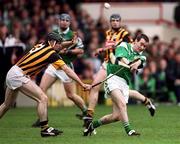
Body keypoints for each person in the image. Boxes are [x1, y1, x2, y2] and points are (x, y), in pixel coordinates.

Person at [0, 32, 91, 137]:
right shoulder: (52, 54)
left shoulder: (42, 44)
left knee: (6, 105)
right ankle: (45, 129)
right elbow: (67, 70)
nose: (60, 45)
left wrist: (71, 42)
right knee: (42, 98)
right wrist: (82, 83)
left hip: (13, 72)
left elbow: (60, 45)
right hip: (18, 76)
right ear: (52, 42)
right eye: (58, 43)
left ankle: (45, 128)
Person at [84, 14, 155, 125]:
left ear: (120, 22)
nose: (115, 22)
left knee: (122, 93)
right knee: (95, 86)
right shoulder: (108, 33)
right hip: (107, 63)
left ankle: (146, 100)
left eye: (117, 20)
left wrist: (132, 62)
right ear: (110, 22)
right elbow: (110, 47)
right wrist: (102, 49)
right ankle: (89, 115)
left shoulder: (124, 34)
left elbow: (130, 46)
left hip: (119, 65)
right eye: (113, 20)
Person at [84, 34, 150, 136]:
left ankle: (92, 125)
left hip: (124, 83)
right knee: (122, 103)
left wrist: (136, 64)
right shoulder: (124, 45)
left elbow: (141, 61)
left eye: (144, 46)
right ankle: (129, 130)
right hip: (113, 79)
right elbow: (120, 59)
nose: (142, 47)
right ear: (135, 41)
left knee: (116, 117)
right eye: (141, 44)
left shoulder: (141, 56)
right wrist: (130, 63)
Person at [32, 13, 88, 127]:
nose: (64, 22)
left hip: (65, 66)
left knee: (71, 95)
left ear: (69, 22)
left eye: (67, 20)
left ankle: (87, 114)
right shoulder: (53, 34)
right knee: (41, 91)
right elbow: (47, 47)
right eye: (62, 20)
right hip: (53, 65)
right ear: (59, 21)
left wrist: (68, 51)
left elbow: (81, 51)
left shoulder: (73, 35)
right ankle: (42, 118)